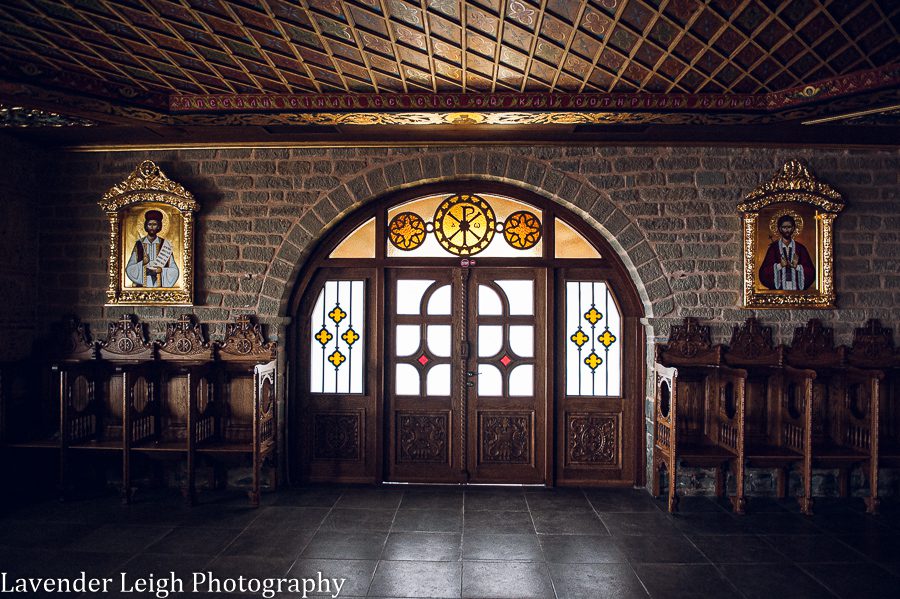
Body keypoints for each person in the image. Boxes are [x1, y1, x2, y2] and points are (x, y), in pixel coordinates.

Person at [758, 214, 814, 290]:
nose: (787, 230)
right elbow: (764, 273)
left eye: (789, 227)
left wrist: (797, 267)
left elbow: (811, 272)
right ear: (780, 229)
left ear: (793, 228)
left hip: (796, 289)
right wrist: (780, 265)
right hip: (778, 290)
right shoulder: (773, 249)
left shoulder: (800, 248)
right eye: (784, 227)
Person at [125, 209, 179, 287]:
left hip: (159, 283)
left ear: (159, 226)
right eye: (150, 224)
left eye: (155, 224)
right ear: (146, 226)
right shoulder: (139, 244)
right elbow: (129, 269)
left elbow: (174, 270)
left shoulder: (164, 244)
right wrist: (142, 262)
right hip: (142, 284)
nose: (152, 227)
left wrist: (162, 270)